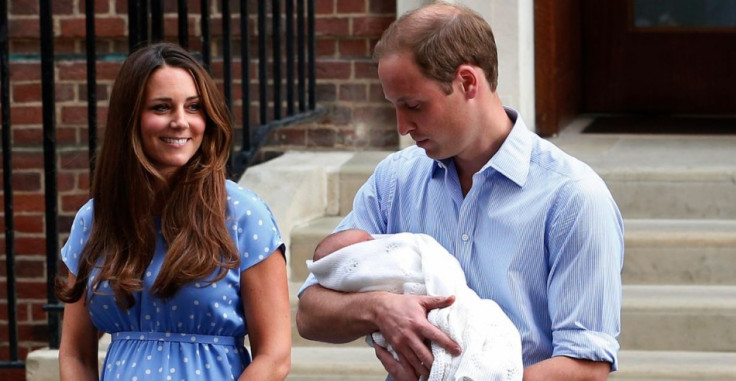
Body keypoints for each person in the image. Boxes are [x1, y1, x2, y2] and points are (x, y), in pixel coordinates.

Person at [296, 2, 624, 381]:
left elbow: (587, 366)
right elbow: (310, 312)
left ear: (468, 82)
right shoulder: (394, 180)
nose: (402, 126)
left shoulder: (574, 198)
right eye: (394, 107)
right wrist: (379, 308)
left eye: (414, 105)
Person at [56, 43, 291, 381]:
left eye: (194, 107)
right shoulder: (95, 220)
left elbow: (275, 356)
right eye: (162, 107)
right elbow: (76, 354)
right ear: (130, 118)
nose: (181, 122)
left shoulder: (243, 215)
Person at [309, 229, 523, 381]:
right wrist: (377, 307)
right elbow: (307, 315)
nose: (370, 239)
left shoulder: (555, 190)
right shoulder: (389, 183)